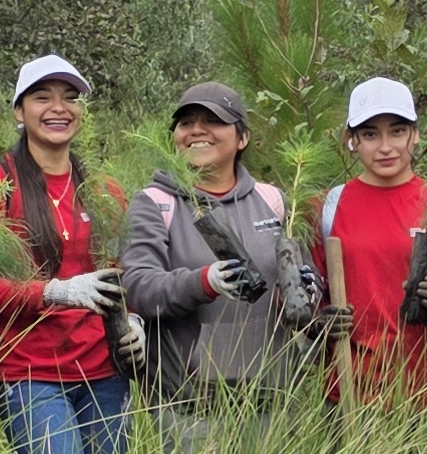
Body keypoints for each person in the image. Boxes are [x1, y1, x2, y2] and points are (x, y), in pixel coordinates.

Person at [0, 54, 129, 454]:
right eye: (42, 97)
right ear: (19, 111)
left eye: (70, 97)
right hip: (30, 375)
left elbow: (115, 273)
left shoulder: (104, 190)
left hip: (103, 374)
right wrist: (53, 291)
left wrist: (129, 320)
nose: (59, 107)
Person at [121, 79, 324, 421]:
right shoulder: (156, 203)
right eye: (186, 123)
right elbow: (138, 287)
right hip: (188, 407)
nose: (197, 131)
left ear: (242, 137)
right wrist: (204, 282)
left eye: (213, 121)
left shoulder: (272, 201)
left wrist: (308, 287)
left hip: (272, 400)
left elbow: (305, 281)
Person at [308, 76, 427, 404]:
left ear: (415, 134)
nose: (386, 147)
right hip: (347, 398)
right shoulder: (324, 208)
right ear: (351, 140)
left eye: (397, 131)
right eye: (370, 134)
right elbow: (307, 299)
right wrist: (319, 323)